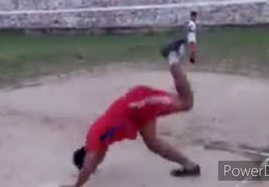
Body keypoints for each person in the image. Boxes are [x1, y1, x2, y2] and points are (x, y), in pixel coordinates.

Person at [61, 39, 200, 187]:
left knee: (186, 103)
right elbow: (90, 165)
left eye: (94, 166)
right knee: (153, 143)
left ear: (88, 154)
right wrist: (86, 171)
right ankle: (190, 167)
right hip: (136, 115)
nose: (94, 168)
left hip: (139, 103)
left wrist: (76, 185)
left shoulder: (93, 141)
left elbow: (88, 166)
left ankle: (172, 55)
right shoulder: (99, 147)